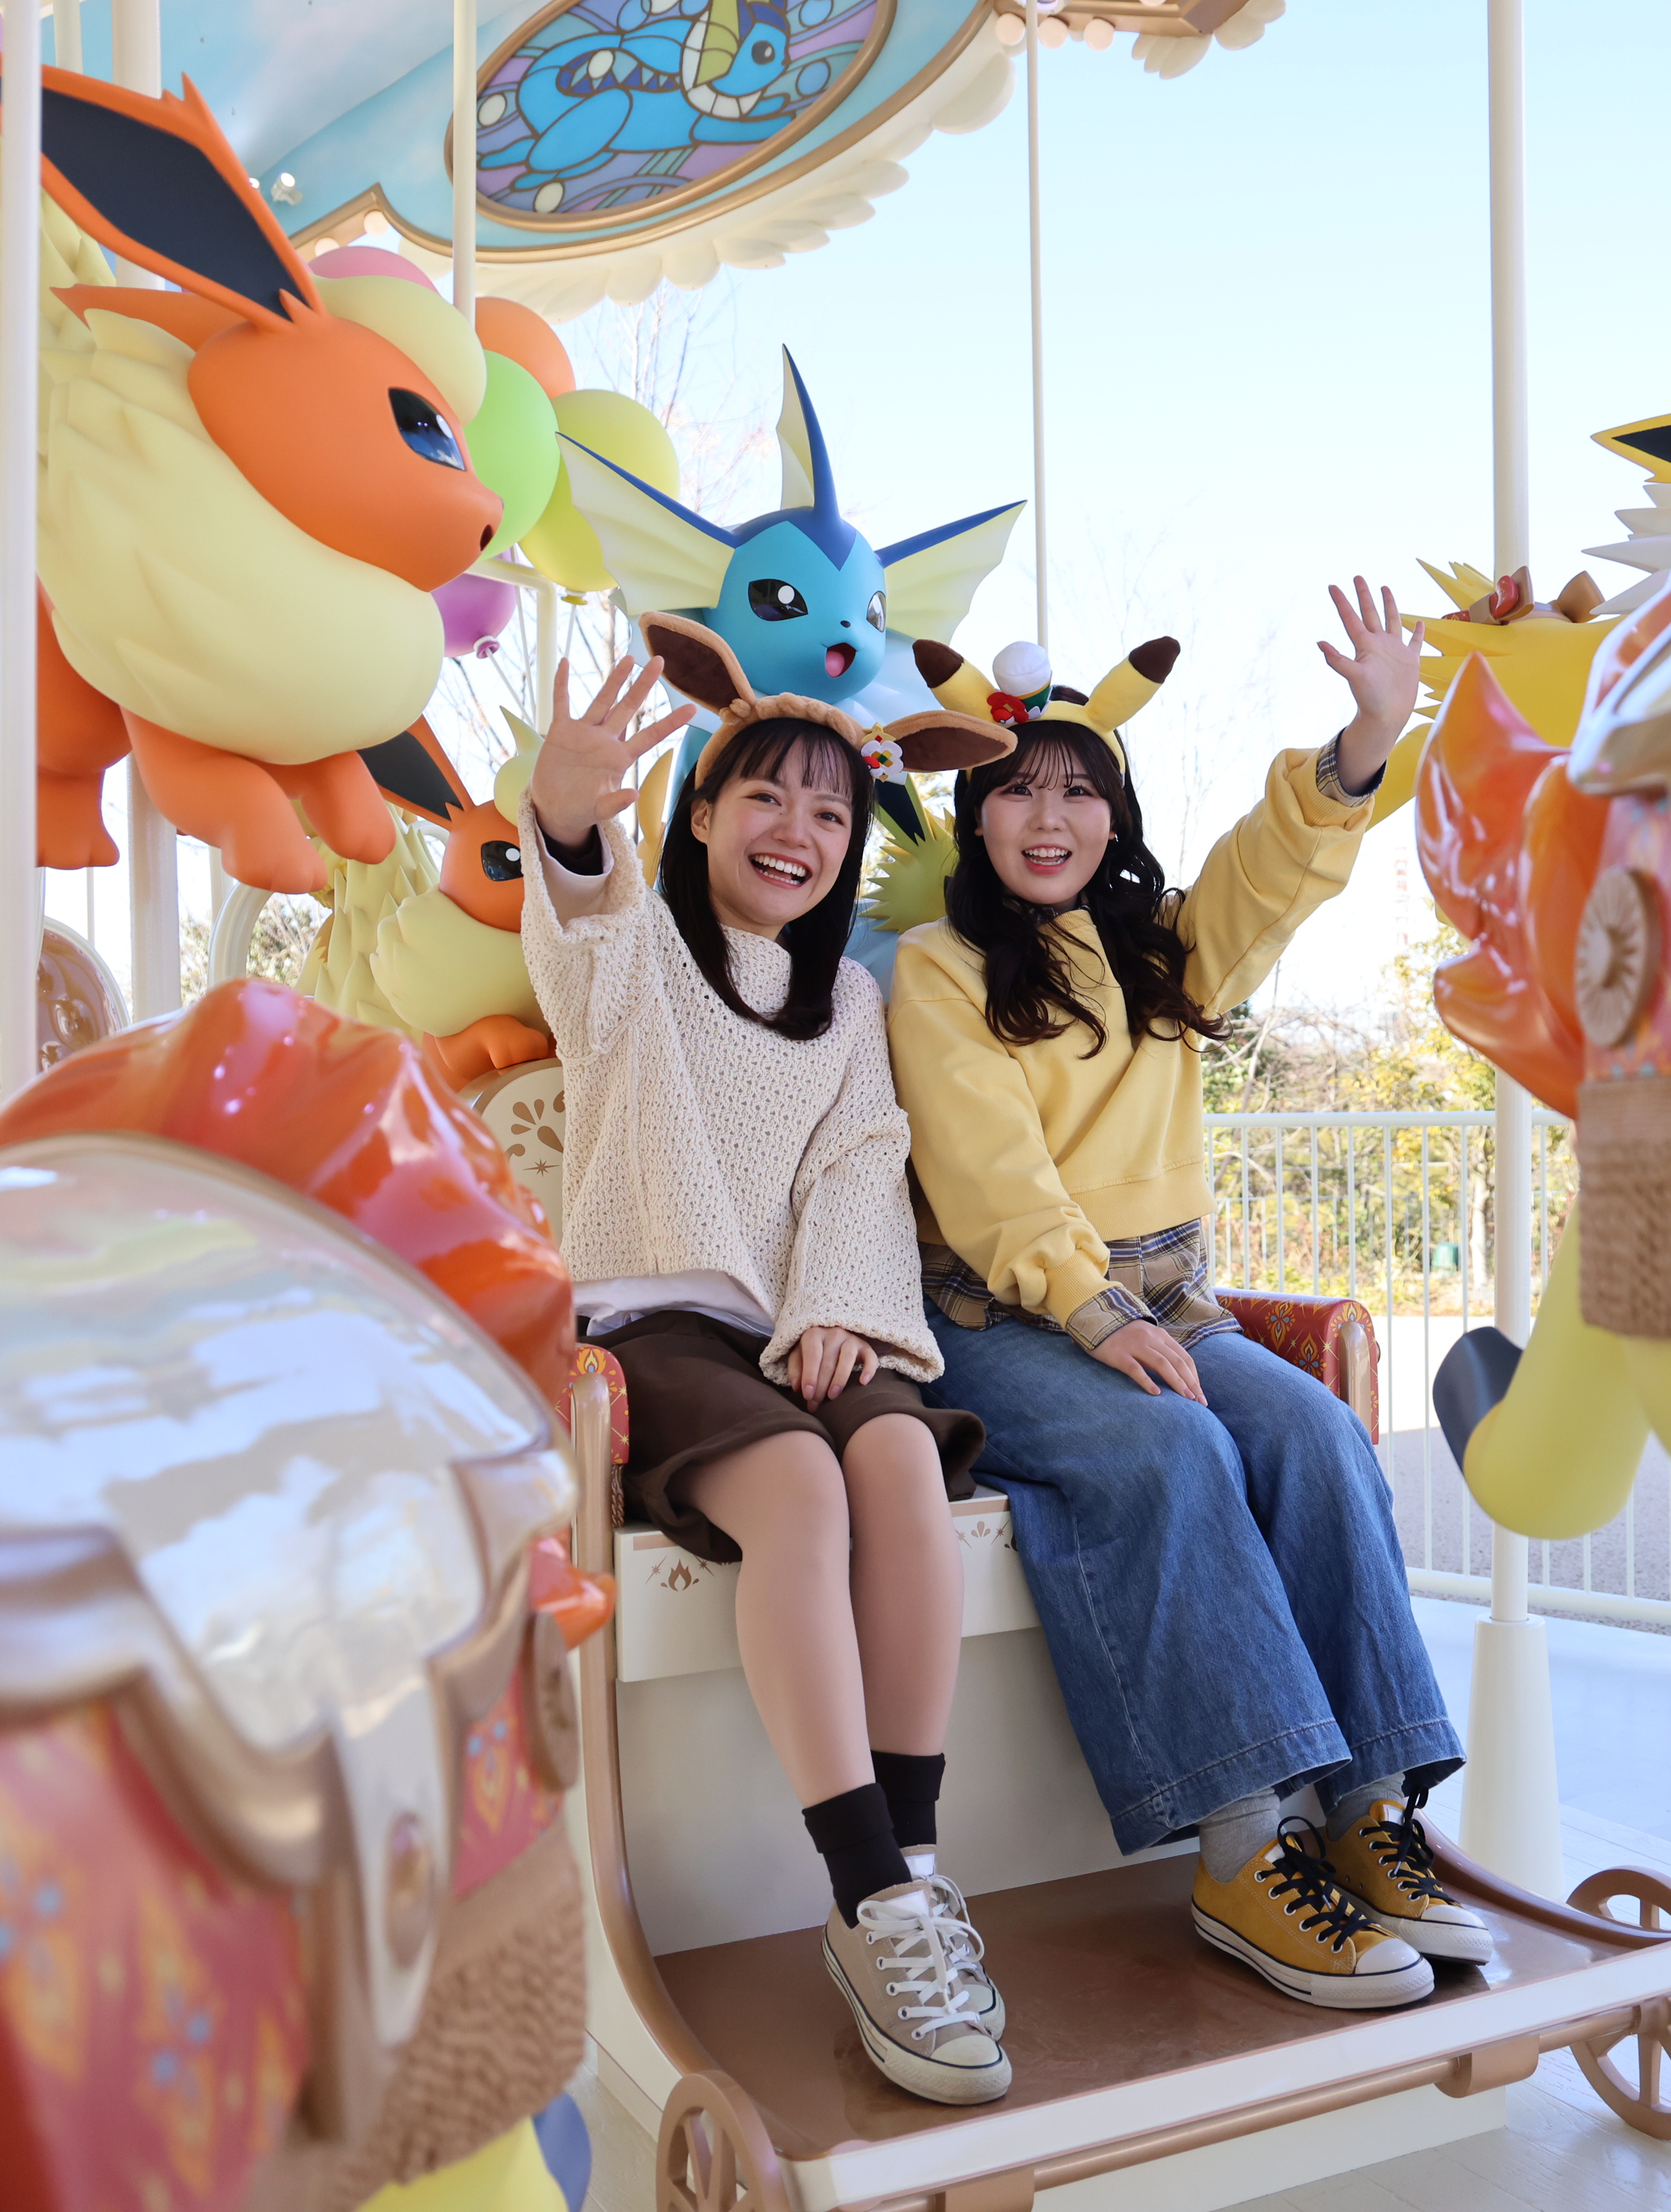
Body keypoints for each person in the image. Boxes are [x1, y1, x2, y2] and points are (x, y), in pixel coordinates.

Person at [887, 581, 1486, 2013]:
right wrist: (1096, 1314)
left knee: (1317, 1434)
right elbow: (989, 1175)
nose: (1048, 816)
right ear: (975, 814)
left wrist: (1364, 746)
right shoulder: (938, 969)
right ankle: (1239, 1853)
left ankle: (1369, 1813)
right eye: (1016, 789)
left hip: (1167, 1308)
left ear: (1115, 813)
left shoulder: (1160, 950)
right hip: (998, 1322)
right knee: (1172, 1447)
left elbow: (1268, 877)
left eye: (1078, 790)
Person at [518, 625, 1021, 2103]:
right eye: (764, 796)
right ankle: (862, 1886)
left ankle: (910, 1875)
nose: (797, 829)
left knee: (899, 1455)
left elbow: (863, 1160)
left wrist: (839, 1310)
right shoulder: (643, 951)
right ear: (699, 812)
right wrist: (567, 819)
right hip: (651, 1327)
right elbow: (582, 934)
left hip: (802, 1321)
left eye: (829, 811)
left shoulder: (848, 1001)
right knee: (801, 1485)